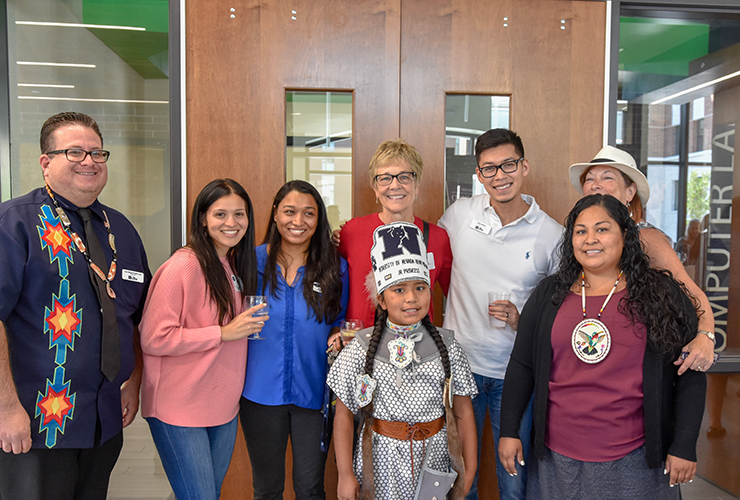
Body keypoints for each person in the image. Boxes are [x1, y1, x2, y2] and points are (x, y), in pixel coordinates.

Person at [499, 194, 706, 499]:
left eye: (602, 229)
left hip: (637, 459)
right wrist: (509, 430)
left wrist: (685, 445)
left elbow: (690, 372)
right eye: (580, 231)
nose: (589, 239)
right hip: (558, 459)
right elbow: (521, 366)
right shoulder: (548, 294)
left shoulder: (660, 295)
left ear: (625, 234)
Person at [0, 112, 151, 498]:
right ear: (45, 162)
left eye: (97, 152)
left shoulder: (121, 230)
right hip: (38, 421)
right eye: (75, 151)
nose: (89, 160)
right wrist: (5, 407)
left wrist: (133, 380)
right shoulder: (14, 224)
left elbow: (135, 315)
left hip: (102, 422)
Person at [438, 128, 562, 500]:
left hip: (516, 374)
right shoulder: (459, 215)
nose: (499, 176)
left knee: (514, 482)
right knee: (462, 477)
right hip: (459, 370)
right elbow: (425, 261)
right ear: (478, 175)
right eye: (489, 169)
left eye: (508, 165)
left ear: (524, 167)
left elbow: (560, 315)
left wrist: (520, 319)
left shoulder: (552, 233)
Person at [328, 221, 477, 500]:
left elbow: (464, 412)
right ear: (381, 300)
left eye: (420, 288)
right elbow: (344, 416)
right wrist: (345, 474)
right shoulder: (360, 348)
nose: (411, 298)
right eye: (398, 290)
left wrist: (469, 471)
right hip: (379, 463)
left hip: (434, 461)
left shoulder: (448, 346)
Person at [139, 178, 263, 500]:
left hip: (222, 405)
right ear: (203, 219)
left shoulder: (231, 265)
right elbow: (154, 338)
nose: (231, 223)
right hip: (180, 406)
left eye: (240, 214)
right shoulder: (185, 265)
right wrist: (222, 333)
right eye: (220, 214)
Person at [240, 180, 349, 500]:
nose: (298, 221)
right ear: (275, 214)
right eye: (289, 211)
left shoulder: (334, 268)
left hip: (313, 395)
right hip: (259, 394)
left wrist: (338, 335)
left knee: (310, 487)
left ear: (319, 220)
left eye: (308, 213)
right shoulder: (249, 263)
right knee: (266, 489)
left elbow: (340, 322)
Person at [569, 146, 716, 373]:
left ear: (630, 192)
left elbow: (692, 293)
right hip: (591, 347)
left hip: (637, 357)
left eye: (607, 177)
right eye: (589, 179)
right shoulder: (578, 237)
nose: (595, 184)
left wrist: (706, 336)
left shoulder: (644, 237)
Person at [336, 139, 452, 326]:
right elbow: (332, 288)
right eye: (385, 178)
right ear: (375, 188)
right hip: (361, 346)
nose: (395, 185)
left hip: (418, 346)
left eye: (404, 177)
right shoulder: (352, 232)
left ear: (417, 184)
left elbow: (456, 296)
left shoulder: (439, 238)